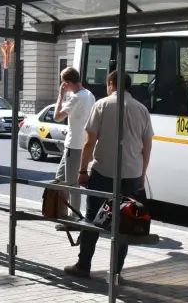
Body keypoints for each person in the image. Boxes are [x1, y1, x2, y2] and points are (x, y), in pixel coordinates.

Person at [63, 71, 154, 281]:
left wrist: (83, 170)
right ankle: (115, 272)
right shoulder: (142, 110)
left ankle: (83, 265)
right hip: (131, 174)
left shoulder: (102, 105)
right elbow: (147, 146)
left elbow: (89, 141)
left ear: (111, 84)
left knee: (92, 218)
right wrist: (142, 174)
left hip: (103, 172)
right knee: (124, 221)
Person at [52, 66, 95, 214]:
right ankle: (60, 211)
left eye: (64, 83)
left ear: (69, 83)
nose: (64, 87)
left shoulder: (76, 98)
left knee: (72, 183)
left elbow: (57, 117)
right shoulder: (89, 95)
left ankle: (75, 216)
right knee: (59, 178)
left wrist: (61, 95)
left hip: (74, 145)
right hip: (80, 143)